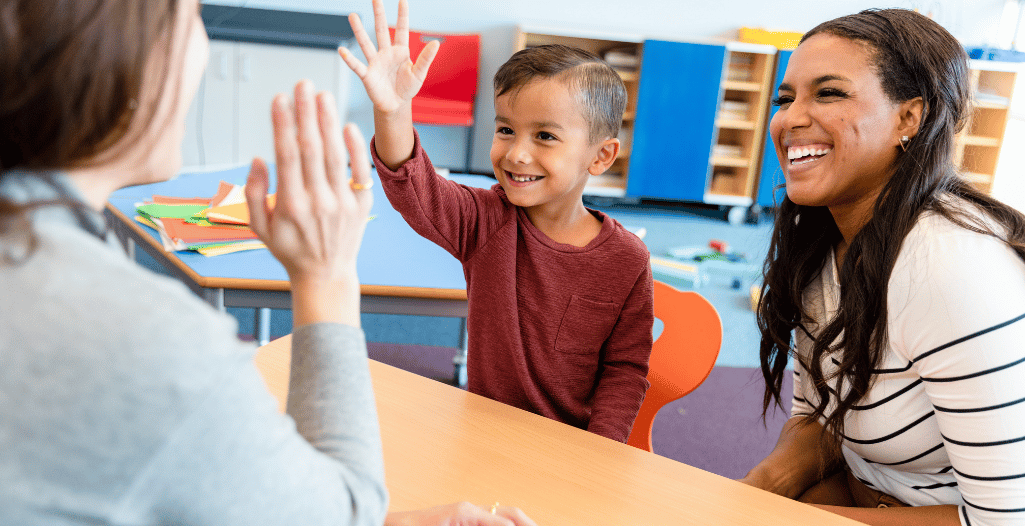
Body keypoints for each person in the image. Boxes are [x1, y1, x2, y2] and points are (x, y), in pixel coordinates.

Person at [0, 1, 536, 525]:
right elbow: (338, 516)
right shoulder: (153, 344)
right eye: (194, 19)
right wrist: (325, 273)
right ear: (128, 56)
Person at [740, 8, 1025, 526]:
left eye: (828, 93)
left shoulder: (951, 269)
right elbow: (820, 419)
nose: (789, 119)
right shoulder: (822, 240)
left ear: (908, 118)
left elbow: (1002, 521)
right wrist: (749, 493)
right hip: (863, 493)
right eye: (786, 98)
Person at [339, 0, 653, 443]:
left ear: (600, 156)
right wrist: (393, 111)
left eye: (545, 136)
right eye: (505, 129)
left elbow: (624, 369)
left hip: (575, 449)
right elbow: (415, 188)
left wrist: (597, 452)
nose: (516, 153)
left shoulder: (627, 259)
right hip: (483, 436)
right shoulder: (486, 221)